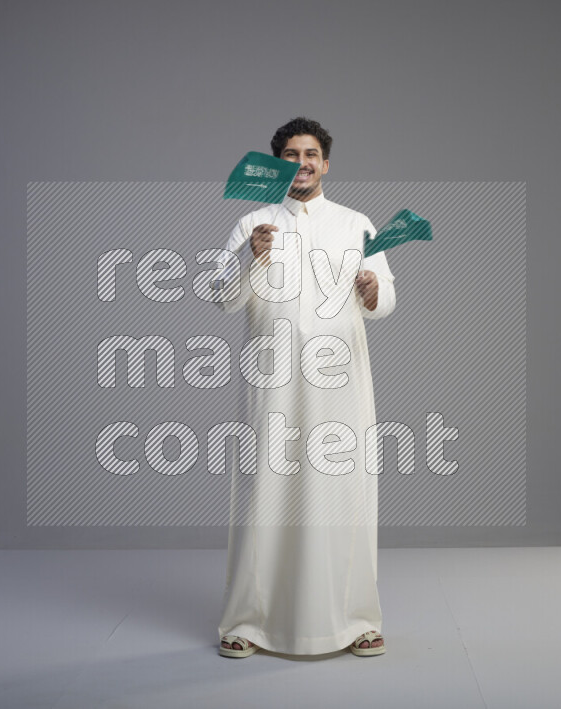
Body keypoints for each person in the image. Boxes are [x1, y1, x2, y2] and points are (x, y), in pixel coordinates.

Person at [214, 117, 396, 657]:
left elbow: (385, 300)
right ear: (275, 165)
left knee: (343, 491)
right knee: (264, 493)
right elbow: (222, 297)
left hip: (339, 381)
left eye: (310, 154)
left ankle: (356, 619)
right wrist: (251, 259)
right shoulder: (253, 223)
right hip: (271, 381)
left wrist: (372, 289)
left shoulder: (356, 224)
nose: (302, 163)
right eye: (290, 155)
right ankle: (247, 623)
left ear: (326, 163)